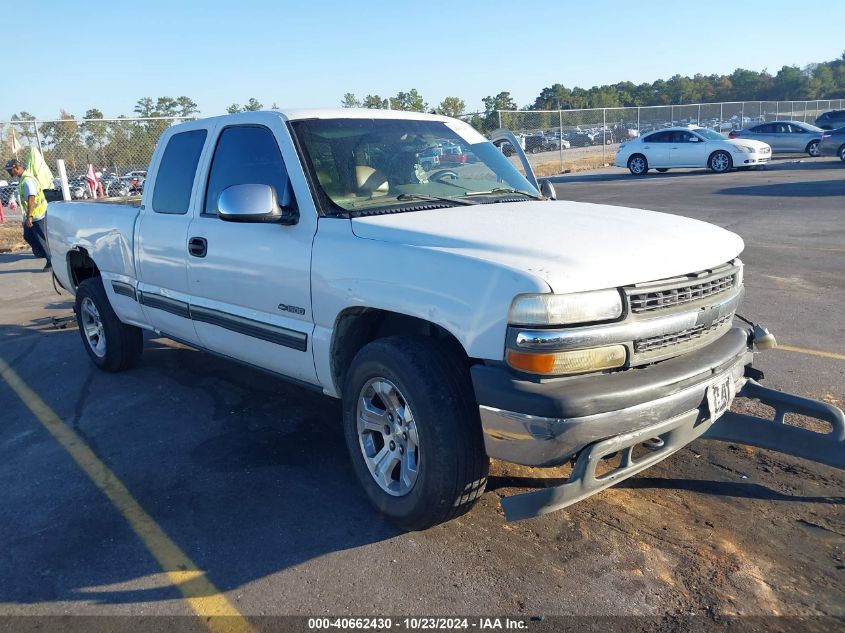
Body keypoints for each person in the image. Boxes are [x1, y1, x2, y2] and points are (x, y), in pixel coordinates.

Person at [5, 157, 51, 271]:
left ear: (16, 168)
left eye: (10, 170)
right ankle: (42, 253)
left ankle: (51, 262)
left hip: (38, 214)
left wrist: (29, 217)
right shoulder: (22, 178)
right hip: (32, 215)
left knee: (41, 239)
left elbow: (31, 198)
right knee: (28, 235)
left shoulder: (27, 180)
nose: (9, 172)